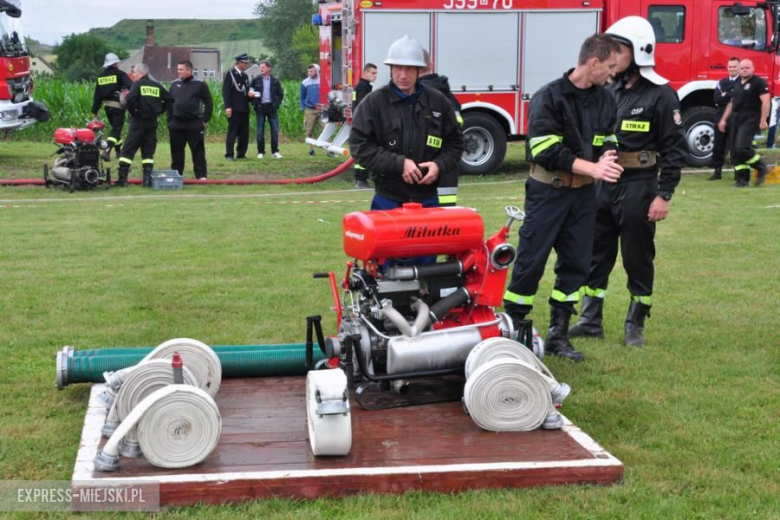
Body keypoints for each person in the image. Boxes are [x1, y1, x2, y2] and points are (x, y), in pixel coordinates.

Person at [502, 34, 623, 362]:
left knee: (576, 265)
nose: (614, 74)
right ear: (593, 62)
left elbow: (608, 137)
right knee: (530, 261)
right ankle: (515, 331)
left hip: (583, 196)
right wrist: (594, 168)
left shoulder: (605, 99)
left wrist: (608, 156)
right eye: (611, 66)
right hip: (548, 192)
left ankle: (558, 334)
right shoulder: (550, 97)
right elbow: (545, 150)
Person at [569, 17, 687, 347]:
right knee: (596, 254)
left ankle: (635, 324)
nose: (612, 56)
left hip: (640, 186)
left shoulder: (661, 95)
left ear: (637, 52)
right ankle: (590, 319)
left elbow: (674, 149)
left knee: (637, 256)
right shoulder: (607, 89)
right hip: (603, 185)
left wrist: (664, 194)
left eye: (618, 50)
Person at [349, 35, 464, 213]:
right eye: (398, 68)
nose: (403, 75)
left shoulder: (438, 102)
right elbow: (360, 148)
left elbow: (455, 144)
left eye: (409, 69)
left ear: (419, 70)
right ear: (390, 68)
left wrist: (439, 165)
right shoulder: (374, 103)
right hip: (387, 200)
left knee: (428, 242)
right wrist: (399, 163)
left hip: (428, 199)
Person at [116, 63, 173, 187]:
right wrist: (160, 110)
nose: (133, 75)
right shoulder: (156, 86)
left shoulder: (137, 85)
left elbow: (130, 99)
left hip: (138, 121)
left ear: (141, 73)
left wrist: (133, 111)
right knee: (148, 152)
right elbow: (170, 99)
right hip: (152, 122)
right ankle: (147, 180)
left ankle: (122, 179)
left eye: (134, 73)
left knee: (127, 150)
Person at [718, 59, 770, 187]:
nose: (744, 70)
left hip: (751, 118)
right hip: (736, 118)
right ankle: (742, 179)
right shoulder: (737, 83)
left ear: (753, 68)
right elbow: (731, 103)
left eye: (747, 68)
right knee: (735, 152)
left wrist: (763, 120)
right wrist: (724, 119)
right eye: (742, 68)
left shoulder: (758, 82)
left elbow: (766, 102)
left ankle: (761, 167)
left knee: (742, 147)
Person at [420, 50, 462, 207]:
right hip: (448, 171)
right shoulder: (447, 94)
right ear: (430, 65)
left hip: (425, 175)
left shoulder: (419, 96)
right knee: (446, 225)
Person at [168, 60, 213, 180]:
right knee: (176, 152)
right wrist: (169, 121)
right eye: (178, 69)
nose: (178, 72)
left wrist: (204, 120)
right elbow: (169, 103)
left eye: (181, 69)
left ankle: (201, 175)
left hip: (194, 123)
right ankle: (176, 175)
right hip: (176, 123)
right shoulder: (174, 84)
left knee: (197, 150)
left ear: (189, 70)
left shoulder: (200, 84)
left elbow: (209, 102)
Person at [91, 53, 133, 161]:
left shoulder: (100, 77)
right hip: (118, 106)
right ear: (115, 63)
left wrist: (94, 111)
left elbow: (97, 96)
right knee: (116, 130)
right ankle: (107, 150)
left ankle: (119, 151)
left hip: (107, 107)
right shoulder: (120, 74)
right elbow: (132, 86)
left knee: (115, 130)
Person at [709, 57, 740, 181]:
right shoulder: (721, 82)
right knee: (718, 147)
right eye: (730, 66)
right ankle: (717, 172)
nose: (732, 69)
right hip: (720, 118)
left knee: (735, 147)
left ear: (739, 67)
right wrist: (730, 94)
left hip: (736, 119)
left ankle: (738, 173)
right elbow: (716, 98)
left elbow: (739, 98)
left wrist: (725, 94)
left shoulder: (742, 82)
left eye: (734, 66)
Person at [249, 60, 284, 159]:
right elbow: (250, 92)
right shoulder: (256, 80)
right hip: (260, 107)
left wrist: (276, 105)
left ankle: (275, 152)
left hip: (271, 108)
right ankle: (261, 152)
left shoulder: (275, 81)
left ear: (269, 68)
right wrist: (254, 101)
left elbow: (280, 94)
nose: (261, 69)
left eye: (263, 67)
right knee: (260, 131)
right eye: (260, 67)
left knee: (275, 130)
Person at [351, 63, 377, 189]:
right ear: (365, 73)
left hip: (358, 122)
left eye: (376, 73)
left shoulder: (360, 86)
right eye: (373, 73)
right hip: (363, 123)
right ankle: (361, 180)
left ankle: (361, 179)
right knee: (364, 151)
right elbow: (363, 106)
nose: (375, 76)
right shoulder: (364, 87)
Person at [222, 53, 251, 161]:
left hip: (244, 108)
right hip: (234, 108)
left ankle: (241, 153)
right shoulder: (230, 74)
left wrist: (251, 97)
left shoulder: (245, 76)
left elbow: (246, 92)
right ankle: (229, 154)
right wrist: (228, 107)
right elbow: (226, 92)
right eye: (245, 63)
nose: (246, 65)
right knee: (232, 132)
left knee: (244, 133)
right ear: (239, 63)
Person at [300, 64, 321, 157]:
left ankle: (330, 150)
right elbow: (302, 97)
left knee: (326, 128)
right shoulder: (305, 82)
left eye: (311, 71)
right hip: (309, 109)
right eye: (308, 71)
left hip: (322, 109)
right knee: (309, 131)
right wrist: (303, 108)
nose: (309, 73)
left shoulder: (323, 81)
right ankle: (311, 150)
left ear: (317, 71)